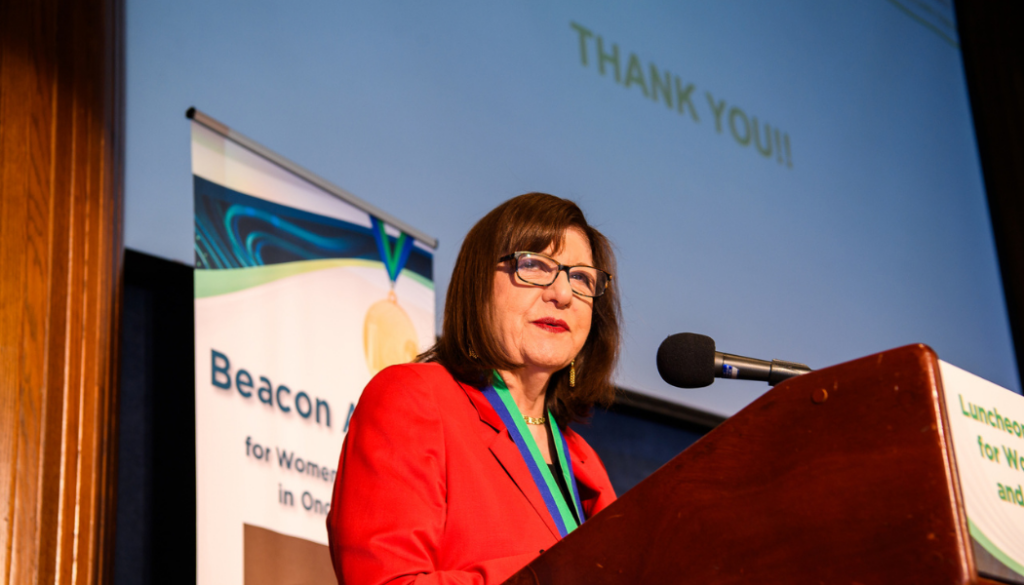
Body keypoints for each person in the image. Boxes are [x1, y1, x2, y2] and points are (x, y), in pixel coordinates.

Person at [326, 193, 621, 584]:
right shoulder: (413, 399)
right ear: (478, 284)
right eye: (534, 265)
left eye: (581, 277)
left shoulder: (584, 460)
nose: (563, 294)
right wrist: (547, 576)